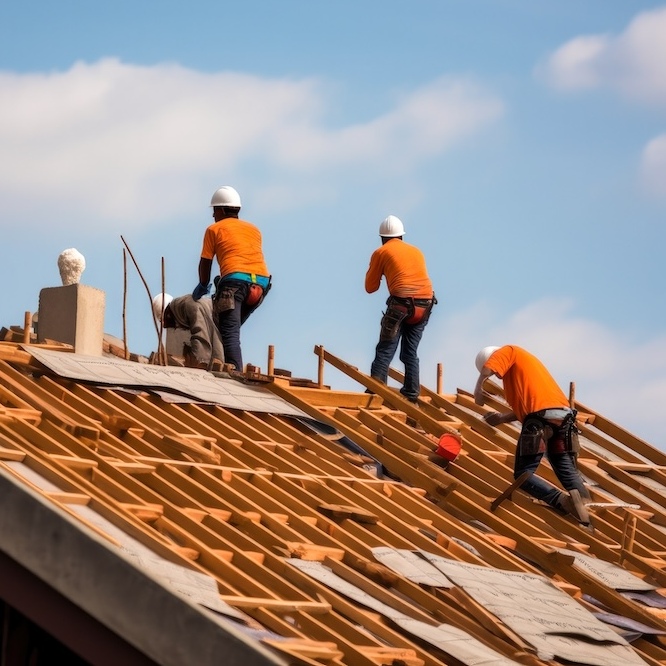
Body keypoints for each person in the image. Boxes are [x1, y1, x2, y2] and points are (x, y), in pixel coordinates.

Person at [473, 344, 591, 524]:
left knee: (523, 473)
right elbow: (525, 410)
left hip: (540, 420)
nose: (497, 376)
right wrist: (501, 419)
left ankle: (562, 501)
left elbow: (488, 369)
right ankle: (583, 502)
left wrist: (478, 389)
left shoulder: (509, 351)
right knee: (562, 461)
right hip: (563, 418)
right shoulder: (522, 376)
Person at [192, 186, 271, 371]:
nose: (213, 216)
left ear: (219, 210)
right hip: (261, 285)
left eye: (214, 211)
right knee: (227, 328)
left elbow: (205, 262)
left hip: (235, 284)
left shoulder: (214, 229)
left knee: (228, 332)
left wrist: (203, 285)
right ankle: (225, 361)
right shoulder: (254, 230)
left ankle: (234, 372)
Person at [365, 215, 436, 403]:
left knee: (386, 348)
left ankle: (376, 389)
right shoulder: (416, 251)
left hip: (401, 305)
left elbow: (370, 288)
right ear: (401, 236)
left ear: (382, 238)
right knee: (409, 352)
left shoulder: (381, 252)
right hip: (425, 305)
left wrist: (375, 267)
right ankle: (412, 393)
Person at [152, 293, 224, 368]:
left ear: (168, 315)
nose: (174, 327)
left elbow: (200, 334)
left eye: (166, 323)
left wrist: (198, 359)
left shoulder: (190, 306)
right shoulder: (184, 307)